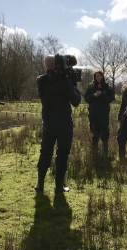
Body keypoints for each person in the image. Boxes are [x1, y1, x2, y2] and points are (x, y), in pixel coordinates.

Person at [34, 55, 81, 193]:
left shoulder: (40, 80)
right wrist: (73, 84)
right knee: (62, 154)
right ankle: (59, 187)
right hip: (64, 123)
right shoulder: (65, 81)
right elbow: (76, 101)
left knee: (45, 152)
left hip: (48, 123)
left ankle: (40, 185)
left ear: (45, 66)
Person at [84, 70, 115, 158]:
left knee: (104, 135)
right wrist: (94, 95)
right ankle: (95, 155)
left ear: (103, 76)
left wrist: (101, 95)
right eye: (97, 76)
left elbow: (110, 98)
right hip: (93, 115)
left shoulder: (107, 87)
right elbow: (86, 98)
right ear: (94, 77)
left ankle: (105, 155)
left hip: (104, 115)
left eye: (100, 76)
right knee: (95, 135)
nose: (99, 78)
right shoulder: (90, 87)